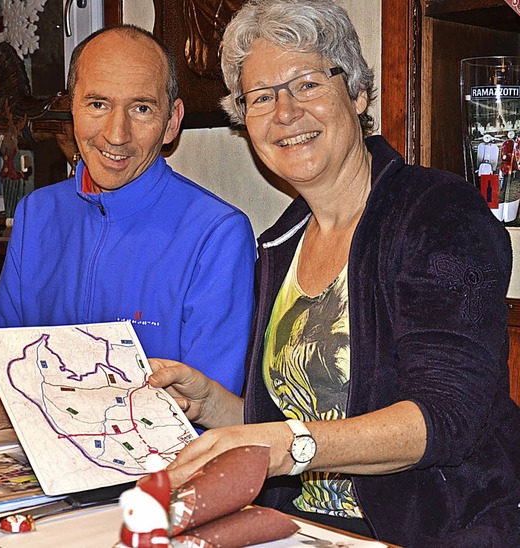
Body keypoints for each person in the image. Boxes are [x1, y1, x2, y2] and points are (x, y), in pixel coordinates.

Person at [147, 1, 520, 546]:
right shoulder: (281, 241)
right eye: (261, 97)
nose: (285, 112)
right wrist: (216, 405)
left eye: (307, 83)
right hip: (306, 530)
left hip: (437, 527)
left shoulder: (438, 213)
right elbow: (303, 412)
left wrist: (295, 444)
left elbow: (445, 418)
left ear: (359, 93)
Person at [0, 25, 256, 431]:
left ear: (171, 122)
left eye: (142, 108)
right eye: (97, 104)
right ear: (69, 107)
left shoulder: (218, 234)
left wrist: (25, 404)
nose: (116, 134)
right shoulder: (35, 214)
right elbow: (11, 363)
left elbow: (199, 412)